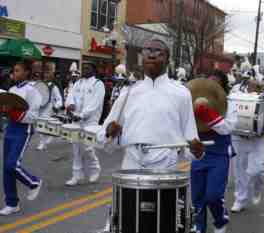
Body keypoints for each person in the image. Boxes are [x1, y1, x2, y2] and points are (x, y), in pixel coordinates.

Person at [98, 39, 204, 169]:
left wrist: (196, 150)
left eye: (158, 51)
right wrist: (109, 132)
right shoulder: (129, 92)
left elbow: (191, 138)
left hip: (166, 164)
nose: (152, 55)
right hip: (132, 164)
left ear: (167, 59)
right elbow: (104, 138)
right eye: (147, 50)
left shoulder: (181, 93)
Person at [190, 70, 237, 233]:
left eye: (215, 83)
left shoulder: (229, 103)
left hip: (219, 153)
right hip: (197, 153)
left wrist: (207, 114)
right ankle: (199, 227)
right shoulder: (192, 100)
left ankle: (220, 219)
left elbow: (227, 128)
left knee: (214, 195)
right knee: (197, 197)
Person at [231, 78, 264, 213]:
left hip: (257, 141)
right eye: (253, 86)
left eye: (258, 87)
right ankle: (240, 200)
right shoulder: (237, 97)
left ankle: (257, 188)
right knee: (239, 171)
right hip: (239, 139)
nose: (256, 89)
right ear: (247, 86)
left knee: (257, 170)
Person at [0, 61, 42, 215]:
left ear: (26, 72)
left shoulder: (32, 91)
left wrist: (12, 112)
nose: (14, 73)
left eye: (18, 70)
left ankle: (34, 182)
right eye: (14, 70)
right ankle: (12, 203)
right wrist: (4, 110)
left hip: (23, 130)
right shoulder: (11, 89)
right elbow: (7, 110)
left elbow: (33, 116)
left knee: (12, 164)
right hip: (10, 128)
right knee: (6, 169)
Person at [65, 62, 105, 186]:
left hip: (90, 120)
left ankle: (95, 170)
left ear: (94, 70)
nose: (85, 70)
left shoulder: (98, 84)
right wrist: (70, 105)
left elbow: (95, 104)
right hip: (76, 119)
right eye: (84, 68)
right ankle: (77, 175)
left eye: (88, 68)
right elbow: (70, 96)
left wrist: (81, 115)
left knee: (88, 147)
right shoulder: (78, 83)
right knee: (76, 148)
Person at [37, 63, 63, 150]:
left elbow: (59, 99)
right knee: (39, 126)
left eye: (48, 73)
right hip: (39, 107)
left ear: (51, 75)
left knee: (43, 125)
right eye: (45, 73)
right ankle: (44, 141)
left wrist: (56, 106)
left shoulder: (53, 87)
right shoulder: (39, 84)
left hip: (49, 108)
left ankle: (42, 143)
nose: (46, 75)